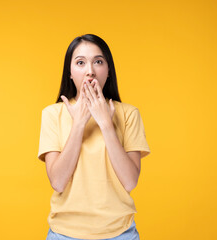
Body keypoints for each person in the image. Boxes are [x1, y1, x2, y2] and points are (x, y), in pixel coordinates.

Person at [37, 34, 151, 240]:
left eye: (98, 62)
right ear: (70, 73)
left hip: (120, 233)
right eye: (80, 62)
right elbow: (58, 182)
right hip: (64, 234)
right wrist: (79, 123)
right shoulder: (52, 114)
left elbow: (130, 181)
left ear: (108, 70)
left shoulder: (129, 114)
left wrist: (106, 124)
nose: (90, 71)